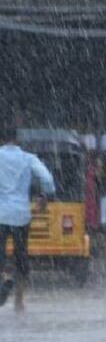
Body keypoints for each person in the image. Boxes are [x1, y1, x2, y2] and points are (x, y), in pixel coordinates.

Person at [0, 124, 56, 312]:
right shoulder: (28, 158)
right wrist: (45, 195)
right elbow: (47, 179)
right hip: (21, 215)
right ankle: (19, 301)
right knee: (21, 255)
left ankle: (5, 279)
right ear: (17, 140)